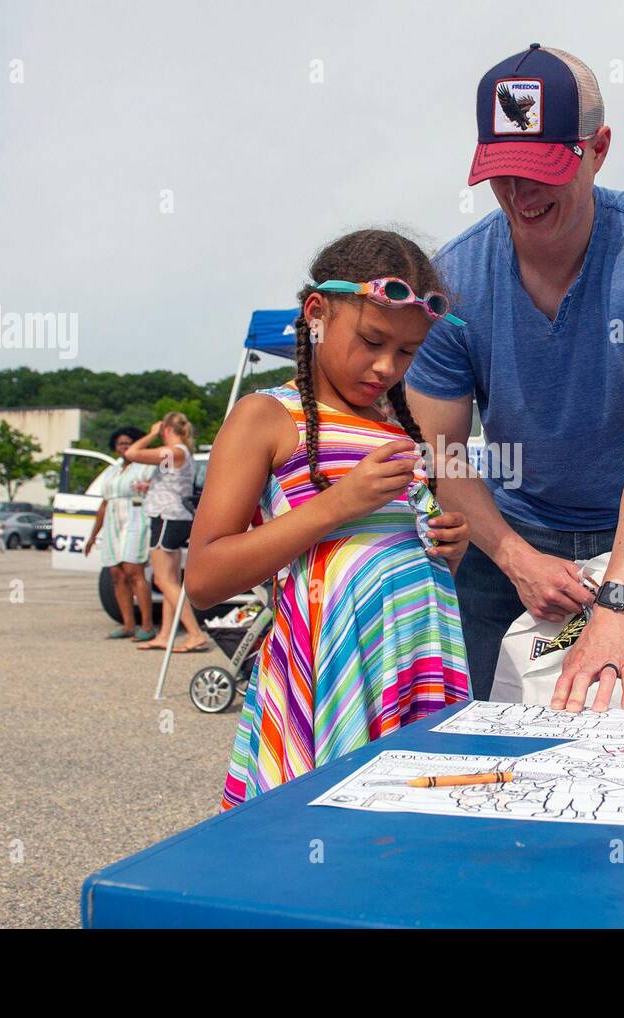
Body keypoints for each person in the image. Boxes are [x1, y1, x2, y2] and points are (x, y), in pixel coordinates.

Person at [406, 44, 624, 714]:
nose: (521, 195)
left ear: (598, 148)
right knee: (492, 754)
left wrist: (620, 599)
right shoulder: (454, 280)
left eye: (543, 169)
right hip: (513, 529)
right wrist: (515, 558)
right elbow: (442, 451)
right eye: (503, 173)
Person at [186, 229, 472, 808]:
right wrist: (337, 506)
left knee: (405, 839)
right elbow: (205, 577)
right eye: (371, 340)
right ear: (316, 313)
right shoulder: (266, 417)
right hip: (330, 678)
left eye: (409, 351)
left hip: (414, 661)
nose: (387, 366)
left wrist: (447, 547)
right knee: (320, 841)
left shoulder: (402, 428)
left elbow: (387, 551)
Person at [124, 413, 207, 652]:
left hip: (167, 517)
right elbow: (173, 482)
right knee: (171, 580)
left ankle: (194, 633)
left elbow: (131, 454)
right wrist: (150, 487)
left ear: (166, 429)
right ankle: (165, 634)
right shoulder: (183, 454)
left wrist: (150, 434)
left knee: (162, 579)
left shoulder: (174, 451)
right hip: (175, 515)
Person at [84, 427, 157, 641]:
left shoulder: (146, 467)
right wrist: (92, 536)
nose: (123, 447)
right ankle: (127, 624)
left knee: (134, 571)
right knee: (116, 573)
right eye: (120, 443)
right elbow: (104, 505)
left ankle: (147, 624)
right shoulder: (112, 471)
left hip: (136, 518)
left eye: (127, 443)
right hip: (112, 522)